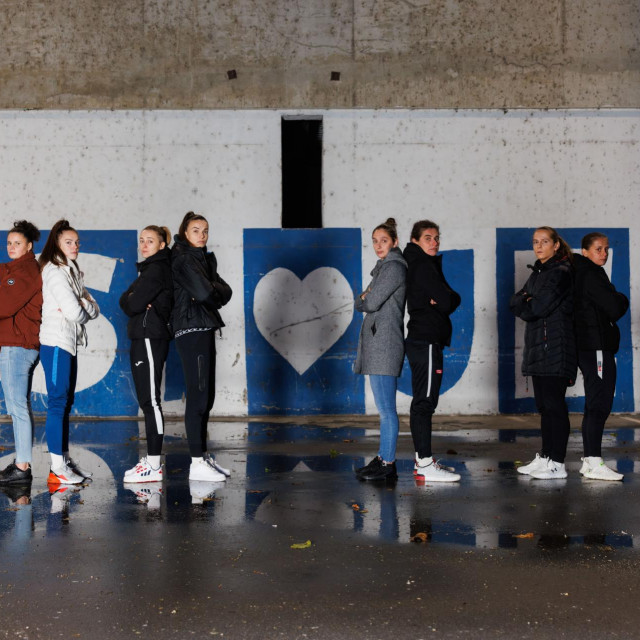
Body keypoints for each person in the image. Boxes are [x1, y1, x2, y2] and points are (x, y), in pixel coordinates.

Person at [511, 226, 576, 480]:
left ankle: (557, 463)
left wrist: (527, 301)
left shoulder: (560, 272)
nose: (538, 246)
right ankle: (546, 456)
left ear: (556, 245)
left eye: (544, 241)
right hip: (540, 348)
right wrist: (525, 299)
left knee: (554, 406)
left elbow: (535, 308)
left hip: (556, 349)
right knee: (545, 407)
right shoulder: (539, 272)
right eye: (535, 242)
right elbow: (514, 302)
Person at [172, 212, 232, 482]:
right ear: (185, 232)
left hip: (204, 326)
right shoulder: (185, 259)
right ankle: (196, 462)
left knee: (206, 397)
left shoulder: (203, 258)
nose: (202, 235)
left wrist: (210, 288)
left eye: (205, 230)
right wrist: (210, 289)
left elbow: (225, 291)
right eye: (196, 230)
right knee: (197, 396)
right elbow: (209, 293)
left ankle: (203, 456)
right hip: (191, 329)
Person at [39, 219, 100, 485]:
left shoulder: (71, 270)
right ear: (57, 243)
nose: (75, 246)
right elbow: (78, 312)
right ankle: (56, 469)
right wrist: (81, 305)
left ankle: (63, 461)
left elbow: (93, 309)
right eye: (69, 242)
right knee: (57, 403)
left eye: (77, 242)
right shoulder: (54, 271)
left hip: (69, 343)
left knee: (65, 403)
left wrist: (81, 304)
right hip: (55, 344)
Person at [403, 220, 461, 482]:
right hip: (425, 339)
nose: (435, 242)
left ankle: (422, 461)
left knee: (425, 401)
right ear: (415, 240)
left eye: (437, 238)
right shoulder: (421, 265)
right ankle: (425, 463)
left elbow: (450, 298)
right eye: (428, 238)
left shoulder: (425, 263)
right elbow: (449, 301)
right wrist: (444, 299)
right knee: (424, 402)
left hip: (427, 339)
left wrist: (444, 298)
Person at [354, 218, 407, 481]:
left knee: (387, 410)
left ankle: (388, 464)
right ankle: (383, 457)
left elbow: (370, 301)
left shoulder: (394, 268)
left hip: (386, 346)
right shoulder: (383, 268)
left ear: (395, 242)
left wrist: (365, 298)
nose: (378, 245)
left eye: (383, 240)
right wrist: (363, 299)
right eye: (374, 241)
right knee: (383, 409)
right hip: (379, 346)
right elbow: (360, 300)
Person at [120, 226, 173, 484]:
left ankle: (153, 464)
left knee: (151, 401)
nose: (144, 244)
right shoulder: (148, 269)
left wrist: (133, 299)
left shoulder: (156, 269)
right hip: (143, 335)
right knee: (147, 400)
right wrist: (132, 298)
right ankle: (151, 462)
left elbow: (132, 304)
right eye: (142, 240)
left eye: (150, 241)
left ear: (162, 245)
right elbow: (125, 300)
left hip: (150, 336)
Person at [573, 232, 629, 481]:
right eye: (598, 249)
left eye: (606, 249)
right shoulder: (590, 274)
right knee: (599, 403)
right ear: (585, 251)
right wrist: (621, 297)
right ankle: (594, 461)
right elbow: (615, 307)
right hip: (595, 345)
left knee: (595, 403)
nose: (604, 253)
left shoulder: (582, 272)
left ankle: (590, 461)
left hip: (591, 344)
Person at [0, 221, 43, 485]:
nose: (12, 247)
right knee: (17, 406)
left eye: (18, 243)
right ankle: (21, 463)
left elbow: (4, 304)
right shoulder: (12, 269)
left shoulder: (26, 270)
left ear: (29, 246)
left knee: (17, 407)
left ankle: (23, 467)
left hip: (17, 346)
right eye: (9, 243)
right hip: (12, 344)